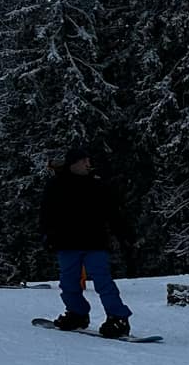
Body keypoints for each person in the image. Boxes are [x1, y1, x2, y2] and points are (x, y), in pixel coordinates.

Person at [39, 143, 134, 338]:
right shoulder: (56, 185)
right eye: (83, 161)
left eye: (88, 161)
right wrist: (47, 235)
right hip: (66, 243)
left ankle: (118, 318)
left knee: (102, 281)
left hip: (94, 242)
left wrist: (124, 234)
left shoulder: (97, 185)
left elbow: (113, 213)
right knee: (69, 282)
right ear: (73, 164)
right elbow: (47, 213)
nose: (87, 164)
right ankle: (77, 313)